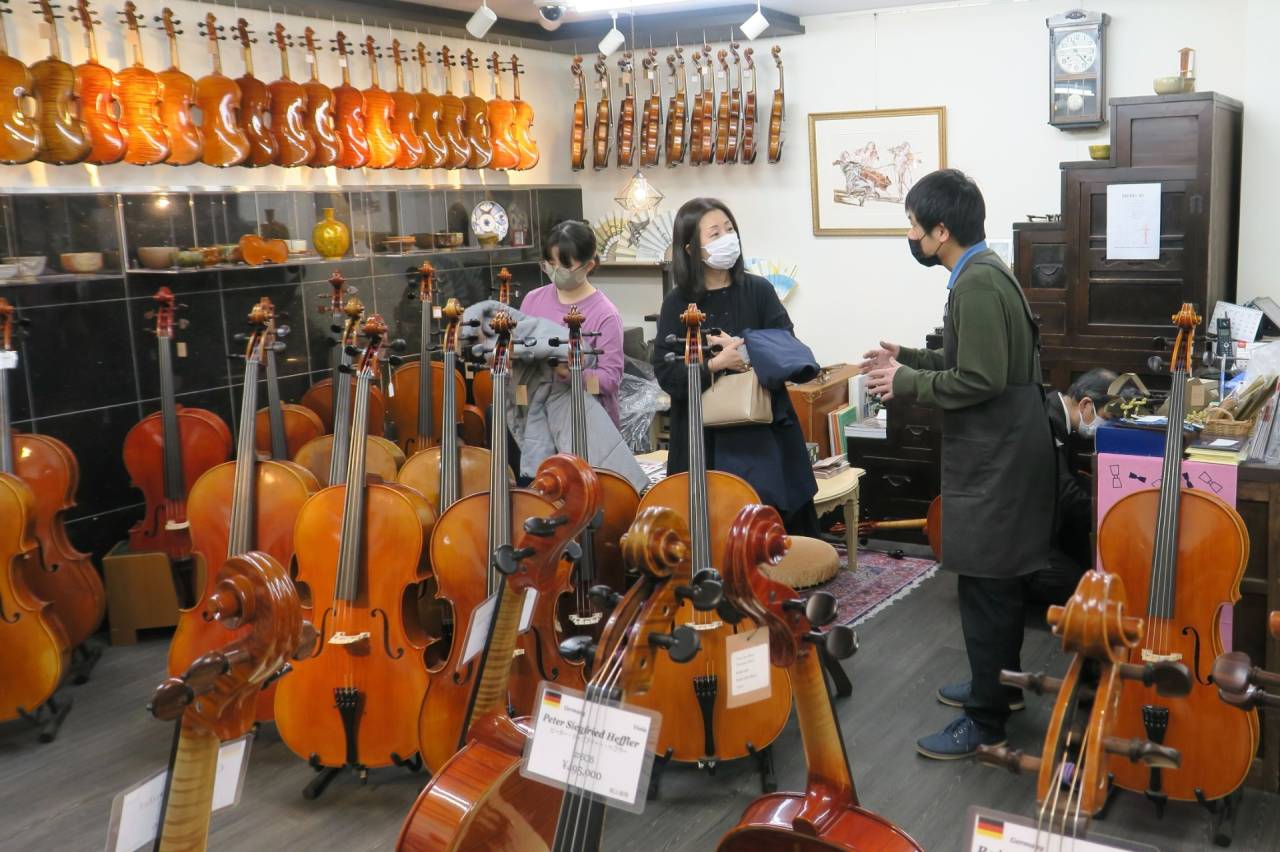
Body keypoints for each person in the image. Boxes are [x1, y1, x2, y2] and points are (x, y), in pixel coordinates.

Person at [862, 169, 1055, 760]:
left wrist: (906, 381)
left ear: (941, 230)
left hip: (996, 463)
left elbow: (979, 377)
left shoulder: (973, 284)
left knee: (986, 588)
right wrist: (910, 357)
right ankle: (1000, 686)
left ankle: (986, 721)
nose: (912, 237)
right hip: (1006, 454)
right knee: (994, 583)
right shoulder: (986, 271)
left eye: (915, 227)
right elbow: (970, 354)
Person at [652, 197, 820, 535]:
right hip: (704, 437)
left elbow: (789, 350)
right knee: (711, 528)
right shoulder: (677, 302)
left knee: (774, 529)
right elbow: (666, 374)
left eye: (729, 229)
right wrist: (714, 363)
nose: (727, 238)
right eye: (715, 234)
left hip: (762, 429)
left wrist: (744, 350)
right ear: (690, 248)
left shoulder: (758, 290)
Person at [518, 220, 626, 427]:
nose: (556, 270)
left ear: (589, 266)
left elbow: (609, 382)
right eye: (550, 263)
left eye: (565, 265)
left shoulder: (605, 314)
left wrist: (571, 374)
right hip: (540, 421)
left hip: (588, 423)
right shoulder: (532, 300)